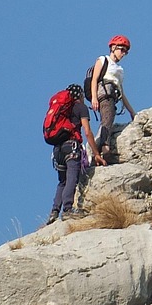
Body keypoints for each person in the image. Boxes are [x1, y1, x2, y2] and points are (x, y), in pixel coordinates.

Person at [48, 84, 106, 224]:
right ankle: (67, 210)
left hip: (57, 150)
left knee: (62, 181)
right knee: (72, 177)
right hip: (71, 147)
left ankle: (54, 212)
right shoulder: (80, 108)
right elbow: (87, 131)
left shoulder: (62, 110)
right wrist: (97, 153)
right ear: (79, 95)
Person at [90, 34, 135, 163]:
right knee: (107, 119)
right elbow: (94, 79)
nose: (123, 54)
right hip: (104, 94)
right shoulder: (103, 60)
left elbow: (122, 93)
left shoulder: (120, 70)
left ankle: (99, 150)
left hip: (113, 96)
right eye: (122, 50)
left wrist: (131, 111)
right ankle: (104, 148)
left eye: (125, 52)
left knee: (108, 118)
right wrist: (94, 97)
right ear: (113, 47)